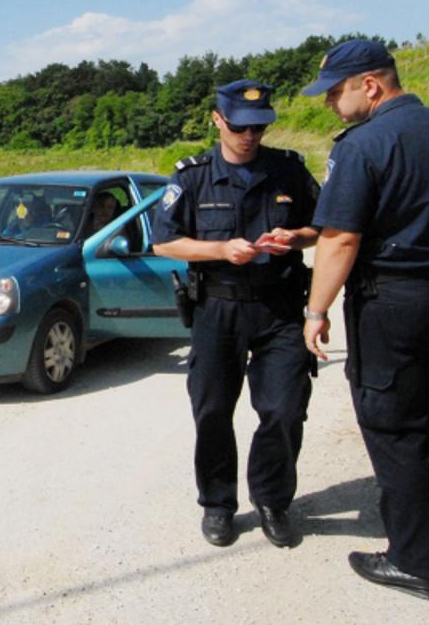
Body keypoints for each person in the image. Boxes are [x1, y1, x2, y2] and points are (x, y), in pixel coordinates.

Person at [300, 39, 429, 600]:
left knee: (397, 428)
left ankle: (412, 561)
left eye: (335, 91)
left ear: (371, 85)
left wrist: (316, 310)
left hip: (393, 305)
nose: (330, 102)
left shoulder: (363, 145)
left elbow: (340, 238)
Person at [153, 79, 320, 549]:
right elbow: (164, 242)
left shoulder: (288, 170)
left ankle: (272, 500)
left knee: (284, 410)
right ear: (218, 120)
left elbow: (323, 226)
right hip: (218, 308)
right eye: (240, 127)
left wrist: (296, 238)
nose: (250, 136)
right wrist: (221, 249)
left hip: (279, 308)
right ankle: (218, 504)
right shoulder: (192, 176)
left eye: (258, 128)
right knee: (211, 411)